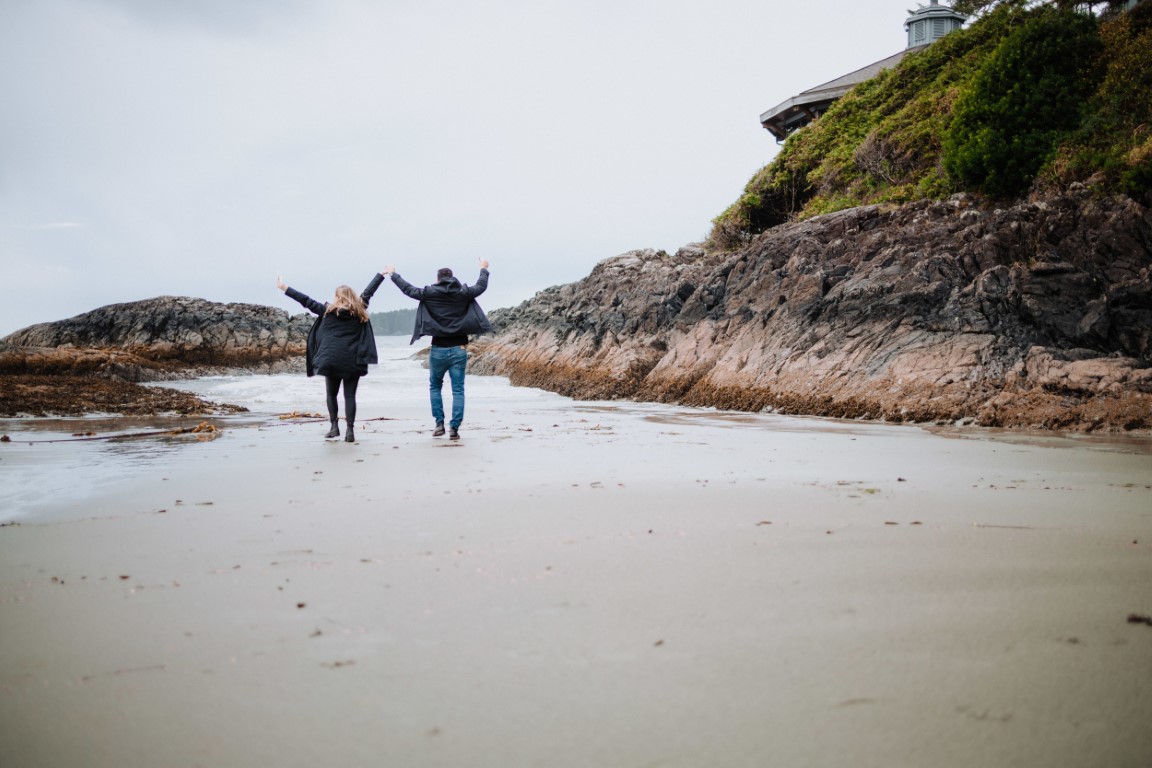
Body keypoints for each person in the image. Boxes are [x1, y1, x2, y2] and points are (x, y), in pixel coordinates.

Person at [381, 259, 491, 441]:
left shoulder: (430, 293)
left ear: (438, 279)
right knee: (458, 390)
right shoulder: (463, 293)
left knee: (435, 387)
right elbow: (481, 286)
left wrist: (393, 274)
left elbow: (408, 289)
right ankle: (454, 428)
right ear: (452, 277)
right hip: (459, 349)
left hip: (438, 349)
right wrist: (483, 269)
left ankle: (439, 424)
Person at [277, 272, 385, 443]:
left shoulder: (326, 311)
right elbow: (369, 292)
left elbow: (305, 300)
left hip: (331, 359)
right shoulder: (359, 311)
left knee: (331, 394)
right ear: (352, 297)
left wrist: (285, 288)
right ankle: (350, 431)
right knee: (350, 396)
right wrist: (381, 274)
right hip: (353, 361)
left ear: (337, 297)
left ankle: (334, 427)